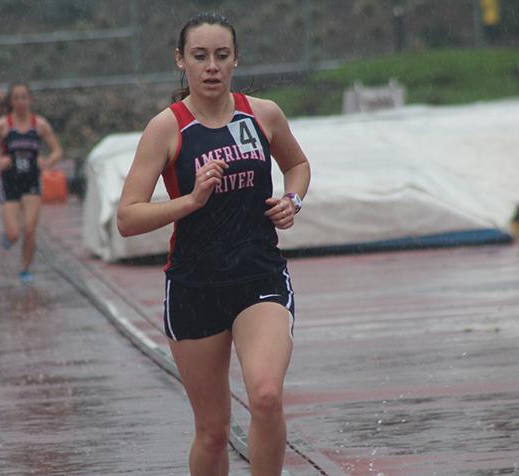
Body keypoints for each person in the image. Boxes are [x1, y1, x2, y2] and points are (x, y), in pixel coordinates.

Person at [116, 12, 311, 476]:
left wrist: (293, 200)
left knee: (265, 396)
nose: (211, 67)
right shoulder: (167, 127)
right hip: (194, 287)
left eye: (221, 56)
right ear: (180, 61)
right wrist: (190, 200)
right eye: (200, 56)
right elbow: (127, 217)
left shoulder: (263, 114)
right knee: (213, 431)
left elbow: (298, 165)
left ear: (236, 60)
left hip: (258, 275)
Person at [0, 82, 63, 284]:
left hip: (31, 182)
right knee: (14, 233)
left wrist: (48, 162)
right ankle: (9, 238)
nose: (20, 102)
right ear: (11, 101)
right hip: (10, 182)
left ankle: (25, 268)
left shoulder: (39, 124)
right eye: (16, 98)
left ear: (30, 100)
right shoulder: (3, 125)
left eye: (24, 97)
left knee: (30, 228)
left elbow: (57, 150)